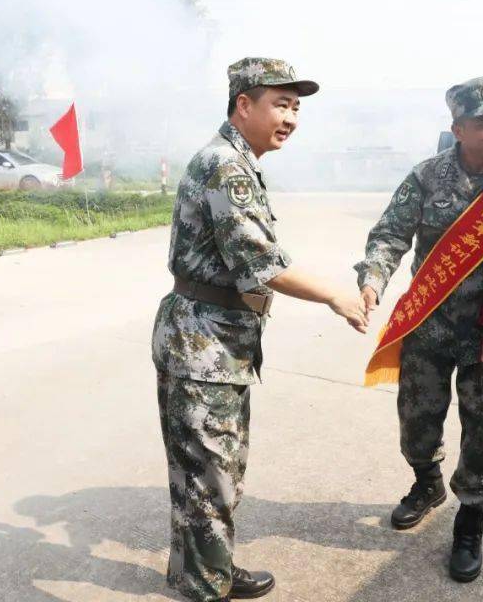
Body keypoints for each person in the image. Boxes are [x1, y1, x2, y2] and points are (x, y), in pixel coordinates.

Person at [152, 57, 368, 602]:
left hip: (208, 338)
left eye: (296, 107)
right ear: (243, 104)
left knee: (199, 472)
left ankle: (200, 571)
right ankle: (207, 587)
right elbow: (260, 262)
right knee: (212, 478)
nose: (291, 117)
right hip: (205, 344)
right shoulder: (226, 166)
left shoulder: (235, 160)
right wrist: (336, 295)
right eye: (281, 103)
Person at [354, 76, 483, 583]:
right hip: (429, 328)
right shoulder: (426, 178)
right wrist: (372, 281)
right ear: (458, 128)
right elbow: (389, 235)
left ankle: (469, 523)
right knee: (417, 425)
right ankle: (426, 483)